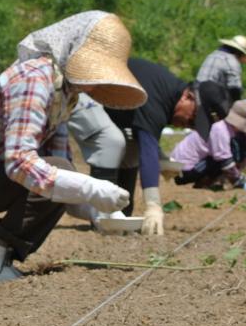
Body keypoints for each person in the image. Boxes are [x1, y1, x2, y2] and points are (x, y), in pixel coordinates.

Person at [0, 11, 147, 280]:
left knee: (61, 172)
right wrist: (90, 187)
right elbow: (20, 163)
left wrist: (96, 209)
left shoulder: (64, 94)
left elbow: (58, 169)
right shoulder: (35, 79)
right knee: (58, 173)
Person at [67, 61, 231, 235]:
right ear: (187, 97)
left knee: (130, 150)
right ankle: (102, 216)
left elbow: (144, 142)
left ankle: (121, 215)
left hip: (103, 103)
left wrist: (162, 159)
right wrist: (153, 205)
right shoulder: (157, 99)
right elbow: (148, 146)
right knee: (111, 142)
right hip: (80, 91)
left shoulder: (167, 96)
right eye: (193, 120)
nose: (189, 126)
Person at [170, 100, 246, 191]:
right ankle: (203, 183)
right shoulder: (221, 130)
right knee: (223, 159)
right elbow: (225, 161)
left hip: (181, 167)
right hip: (182, 172)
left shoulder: (222, 127)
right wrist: (238, 181)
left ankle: (207, 182)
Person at [196, 35, 246, 103]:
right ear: (239, 53)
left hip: (196, 92)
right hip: (209, 99)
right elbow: (235, 90)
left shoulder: (213, 54)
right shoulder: (232, 62)